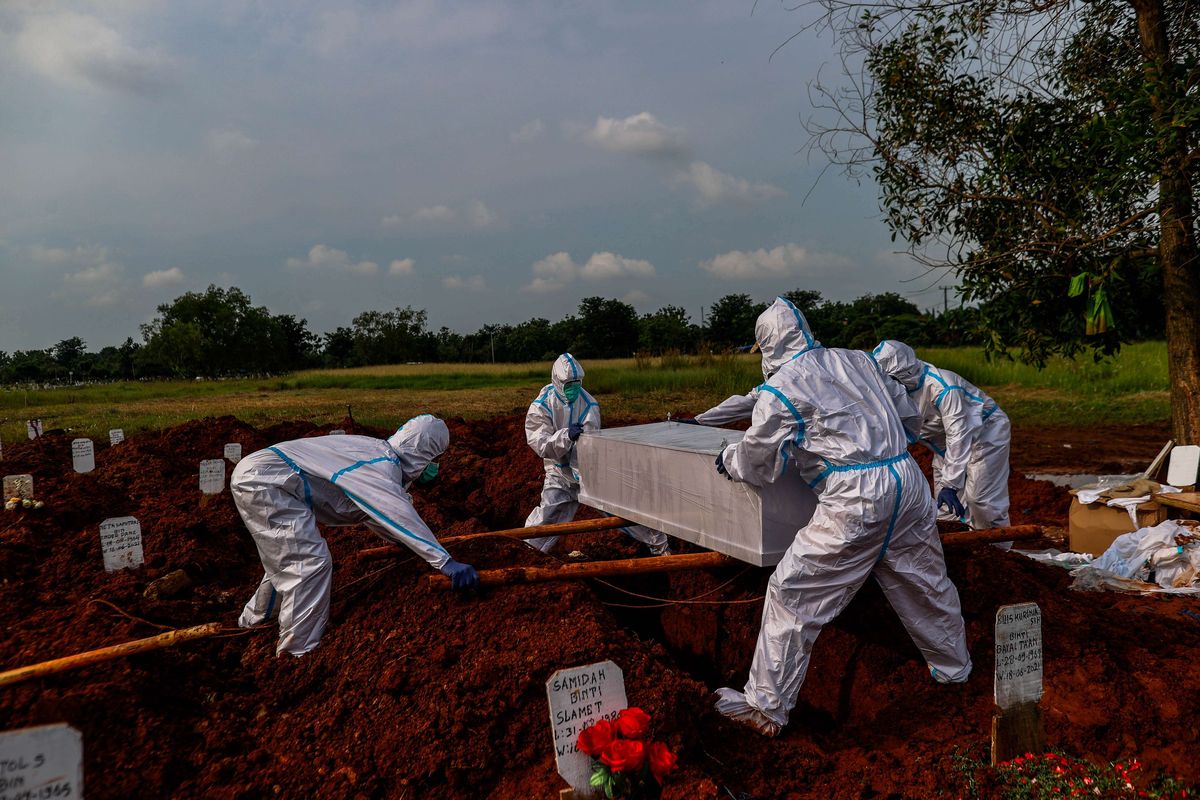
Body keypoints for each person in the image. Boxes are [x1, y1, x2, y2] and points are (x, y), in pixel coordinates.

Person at [712, 297, 972, 736]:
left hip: (856, 498)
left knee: (792, 593)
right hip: (906, 479)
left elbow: (758, 462)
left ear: (767, 346)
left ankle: (766, 707)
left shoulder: (783, 387)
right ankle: (955, 669)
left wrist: (729, 459)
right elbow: (908, 417)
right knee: (925, 581)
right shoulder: (858, 361)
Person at [234, 414, 478, 656]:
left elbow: (373, 514)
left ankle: (256, 620)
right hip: (266, 481)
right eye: (436, 460)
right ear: (424, 454)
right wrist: (445, 562)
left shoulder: (377, 454)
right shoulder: (380, 467)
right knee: (308, 564)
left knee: (287, 557)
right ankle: (297, 652)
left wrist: (405, 543)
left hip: (264, 475)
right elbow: (395, 513)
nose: (436, 467)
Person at [524, 353, 669, 555]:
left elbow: (590, 446)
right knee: (547, 517)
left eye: (577, 383)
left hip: (588, 473)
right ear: (557, 381)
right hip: (559, 475)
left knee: (624, 510)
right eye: (568, 384)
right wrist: (566, 436)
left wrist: (584, 474)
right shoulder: (541, 407)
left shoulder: (588, 404)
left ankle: (660, 548)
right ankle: (526, 554)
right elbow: (541, 445)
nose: (574, 388)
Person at [871, 340, 1012, 534]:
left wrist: (951, 484)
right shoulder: (898, 392)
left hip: (985, 434)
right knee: (944, 509)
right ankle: (956, 555)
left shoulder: (944, 387)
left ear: (906, 373)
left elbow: (959, 434)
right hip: (945, 443)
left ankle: (1000, 552)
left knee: (981, 500)